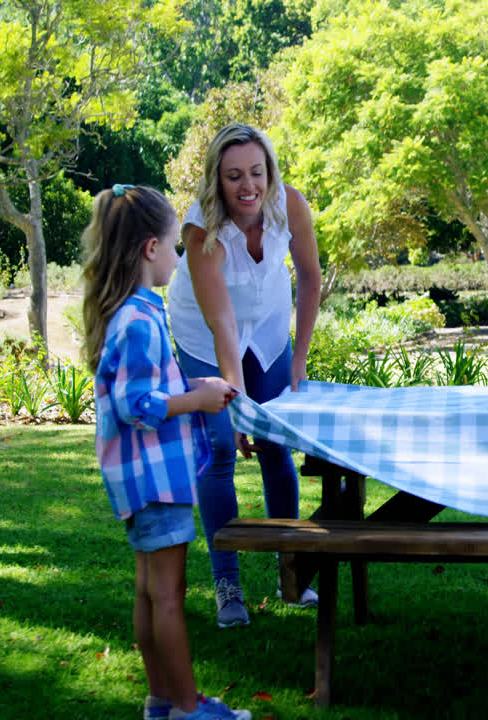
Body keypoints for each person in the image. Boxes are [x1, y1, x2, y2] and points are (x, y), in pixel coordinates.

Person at [83, 184, 251, 720]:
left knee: (150, 593)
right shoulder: (137, 319)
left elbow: (150, 385)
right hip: (155, 479)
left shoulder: (135, 312)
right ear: (150, 249)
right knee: (169, 597)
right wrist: (196, 400)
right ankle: (185, 707)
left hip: (146, 478)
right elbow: (137, 403)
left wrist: (195, 384)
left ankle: (163, 700)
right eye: (176, 246)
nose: (181, 258)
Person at [167, 123, 322, 628]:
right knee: (219, 448)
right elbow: (222, 324)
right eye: (234, 176)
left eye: (257, 172)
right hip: (205, 336)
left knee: (277, 443)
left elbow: (311, 277)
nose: (248, 185)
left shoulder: (290, 205)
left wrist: (298, 358)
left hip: (270, 328)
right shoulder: (200, 230)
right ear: (218, 180)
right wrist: (233, 403)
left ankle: (291, 574)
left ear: (270, 171)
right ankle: (227, 585)